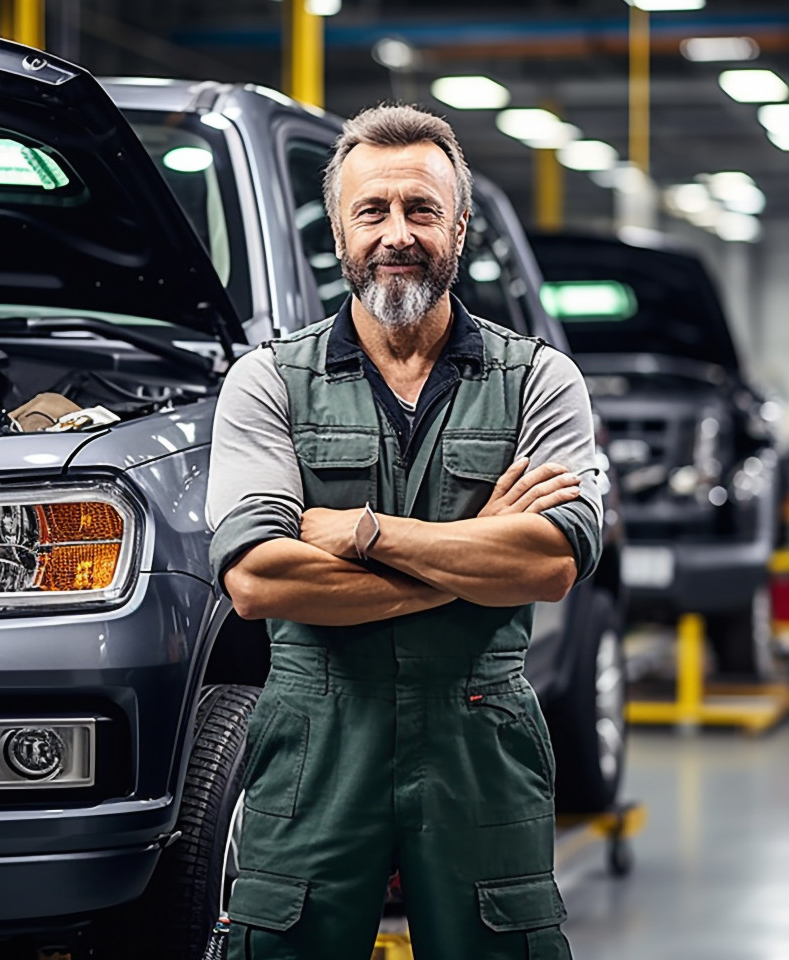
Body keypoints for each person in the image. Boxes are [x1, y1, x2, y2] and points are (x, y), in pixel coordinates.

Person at [205, 103, 604, 960]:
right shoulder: (266, 382)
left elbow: (550, 561)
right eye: (372, 212)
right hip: (316, 744)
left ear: (458, 227)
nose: (398, 233)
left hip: (478, 747)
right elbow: (258, 582)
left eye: (422, 211)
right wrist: (474, 553)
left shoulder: (540, 380)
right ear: (340, 234)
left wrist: (365, 532)